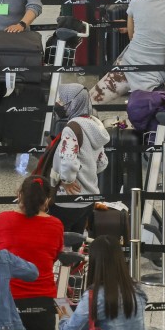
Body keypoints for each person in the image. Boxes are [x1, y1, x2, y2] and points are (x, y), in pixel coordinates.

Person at [0, 175, 64, 330]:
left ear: (19, 194)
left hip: (8, 302)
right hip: (44, 304)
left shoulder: (2, 220)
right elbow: (54, 256)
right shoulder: (56, 225)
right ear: (47, 200)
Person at [46, 83, 111, 232]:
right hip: (88, 198)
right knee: (77, 241)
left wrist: (67, 180)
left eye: (63, 100)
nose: (60, 104)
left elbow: (68, 162)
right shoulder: (94, 124)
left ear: (72, 102)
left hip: (68, 200)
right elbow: (102, 162)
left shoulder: (72, 128)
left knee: (59, 243)